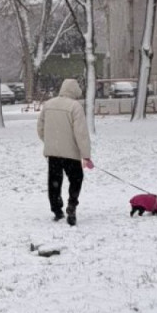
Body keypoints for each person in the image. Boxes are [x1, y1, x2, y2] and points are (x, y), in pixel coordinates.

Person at [37, 78, 93, 226]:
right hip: (71, 153)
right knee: (76, 179)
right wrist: (86, 155)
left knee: (54, 181)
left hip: (53, 153)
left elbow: (40, 128)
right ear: (74, 90)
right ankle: (72, 204)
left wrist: (49, 142)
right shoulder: (75, 106)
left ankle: (57, 209)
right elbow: (81, 133)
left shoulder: (48, 105)